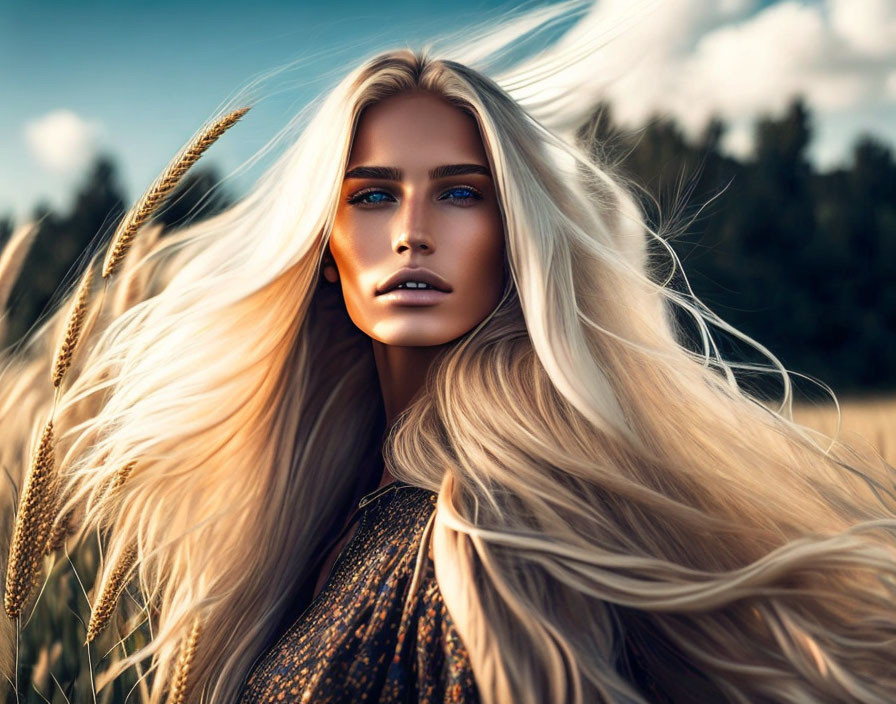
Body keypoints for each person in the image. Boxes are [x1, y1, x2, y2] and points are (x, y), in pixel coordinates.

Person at [2, 6, 896, 704]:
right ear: (321, 247)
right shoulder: (335, 512)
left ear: (517, 239)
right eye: (374, 196)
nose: (413, 234)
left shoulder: (486, 533)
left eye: (461, 193)